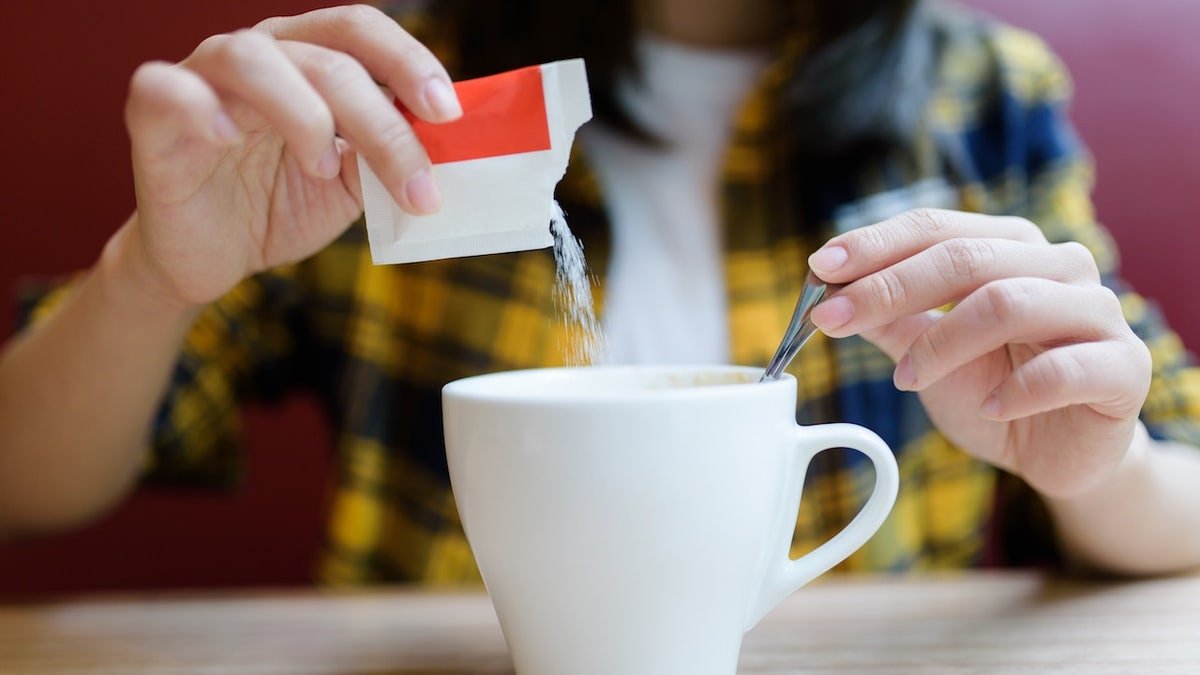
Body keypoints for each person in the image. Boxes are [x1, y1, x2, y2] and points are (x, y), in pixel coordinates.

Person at [1, 0, 1198, 586]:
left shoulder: (981, 91)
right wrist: (151, 277)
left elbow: (1175, 473)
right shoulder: (374, 102)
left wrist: (1104, 466)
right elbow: (26, 484)